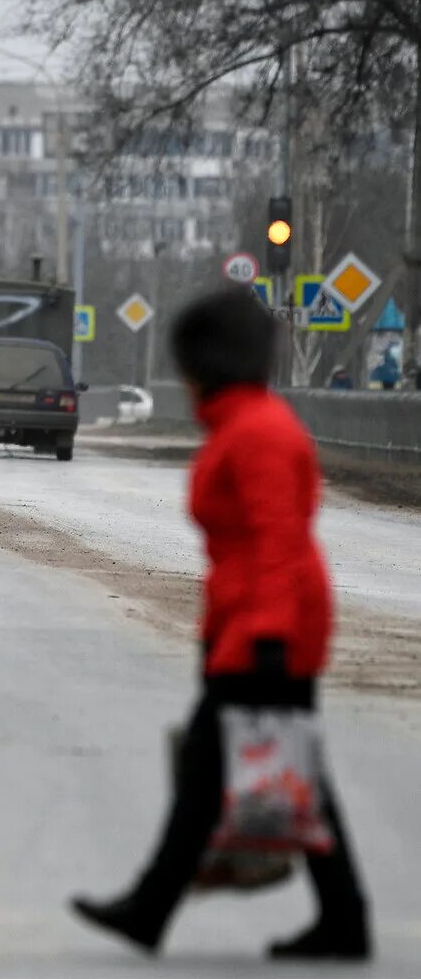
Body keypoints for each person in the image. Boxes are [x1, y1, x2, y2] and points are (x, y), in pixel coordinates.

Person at [71, 286, 369, 961]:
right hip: (261, 619)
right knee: (273, 769)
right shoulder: (244, 423)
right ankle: (341, 918)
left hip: (273, 627)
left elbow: (276, 542)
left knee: (218, 764)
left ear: (207, 362)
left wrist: (263, 636)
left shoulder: (256, 432)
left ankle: (151, 907)